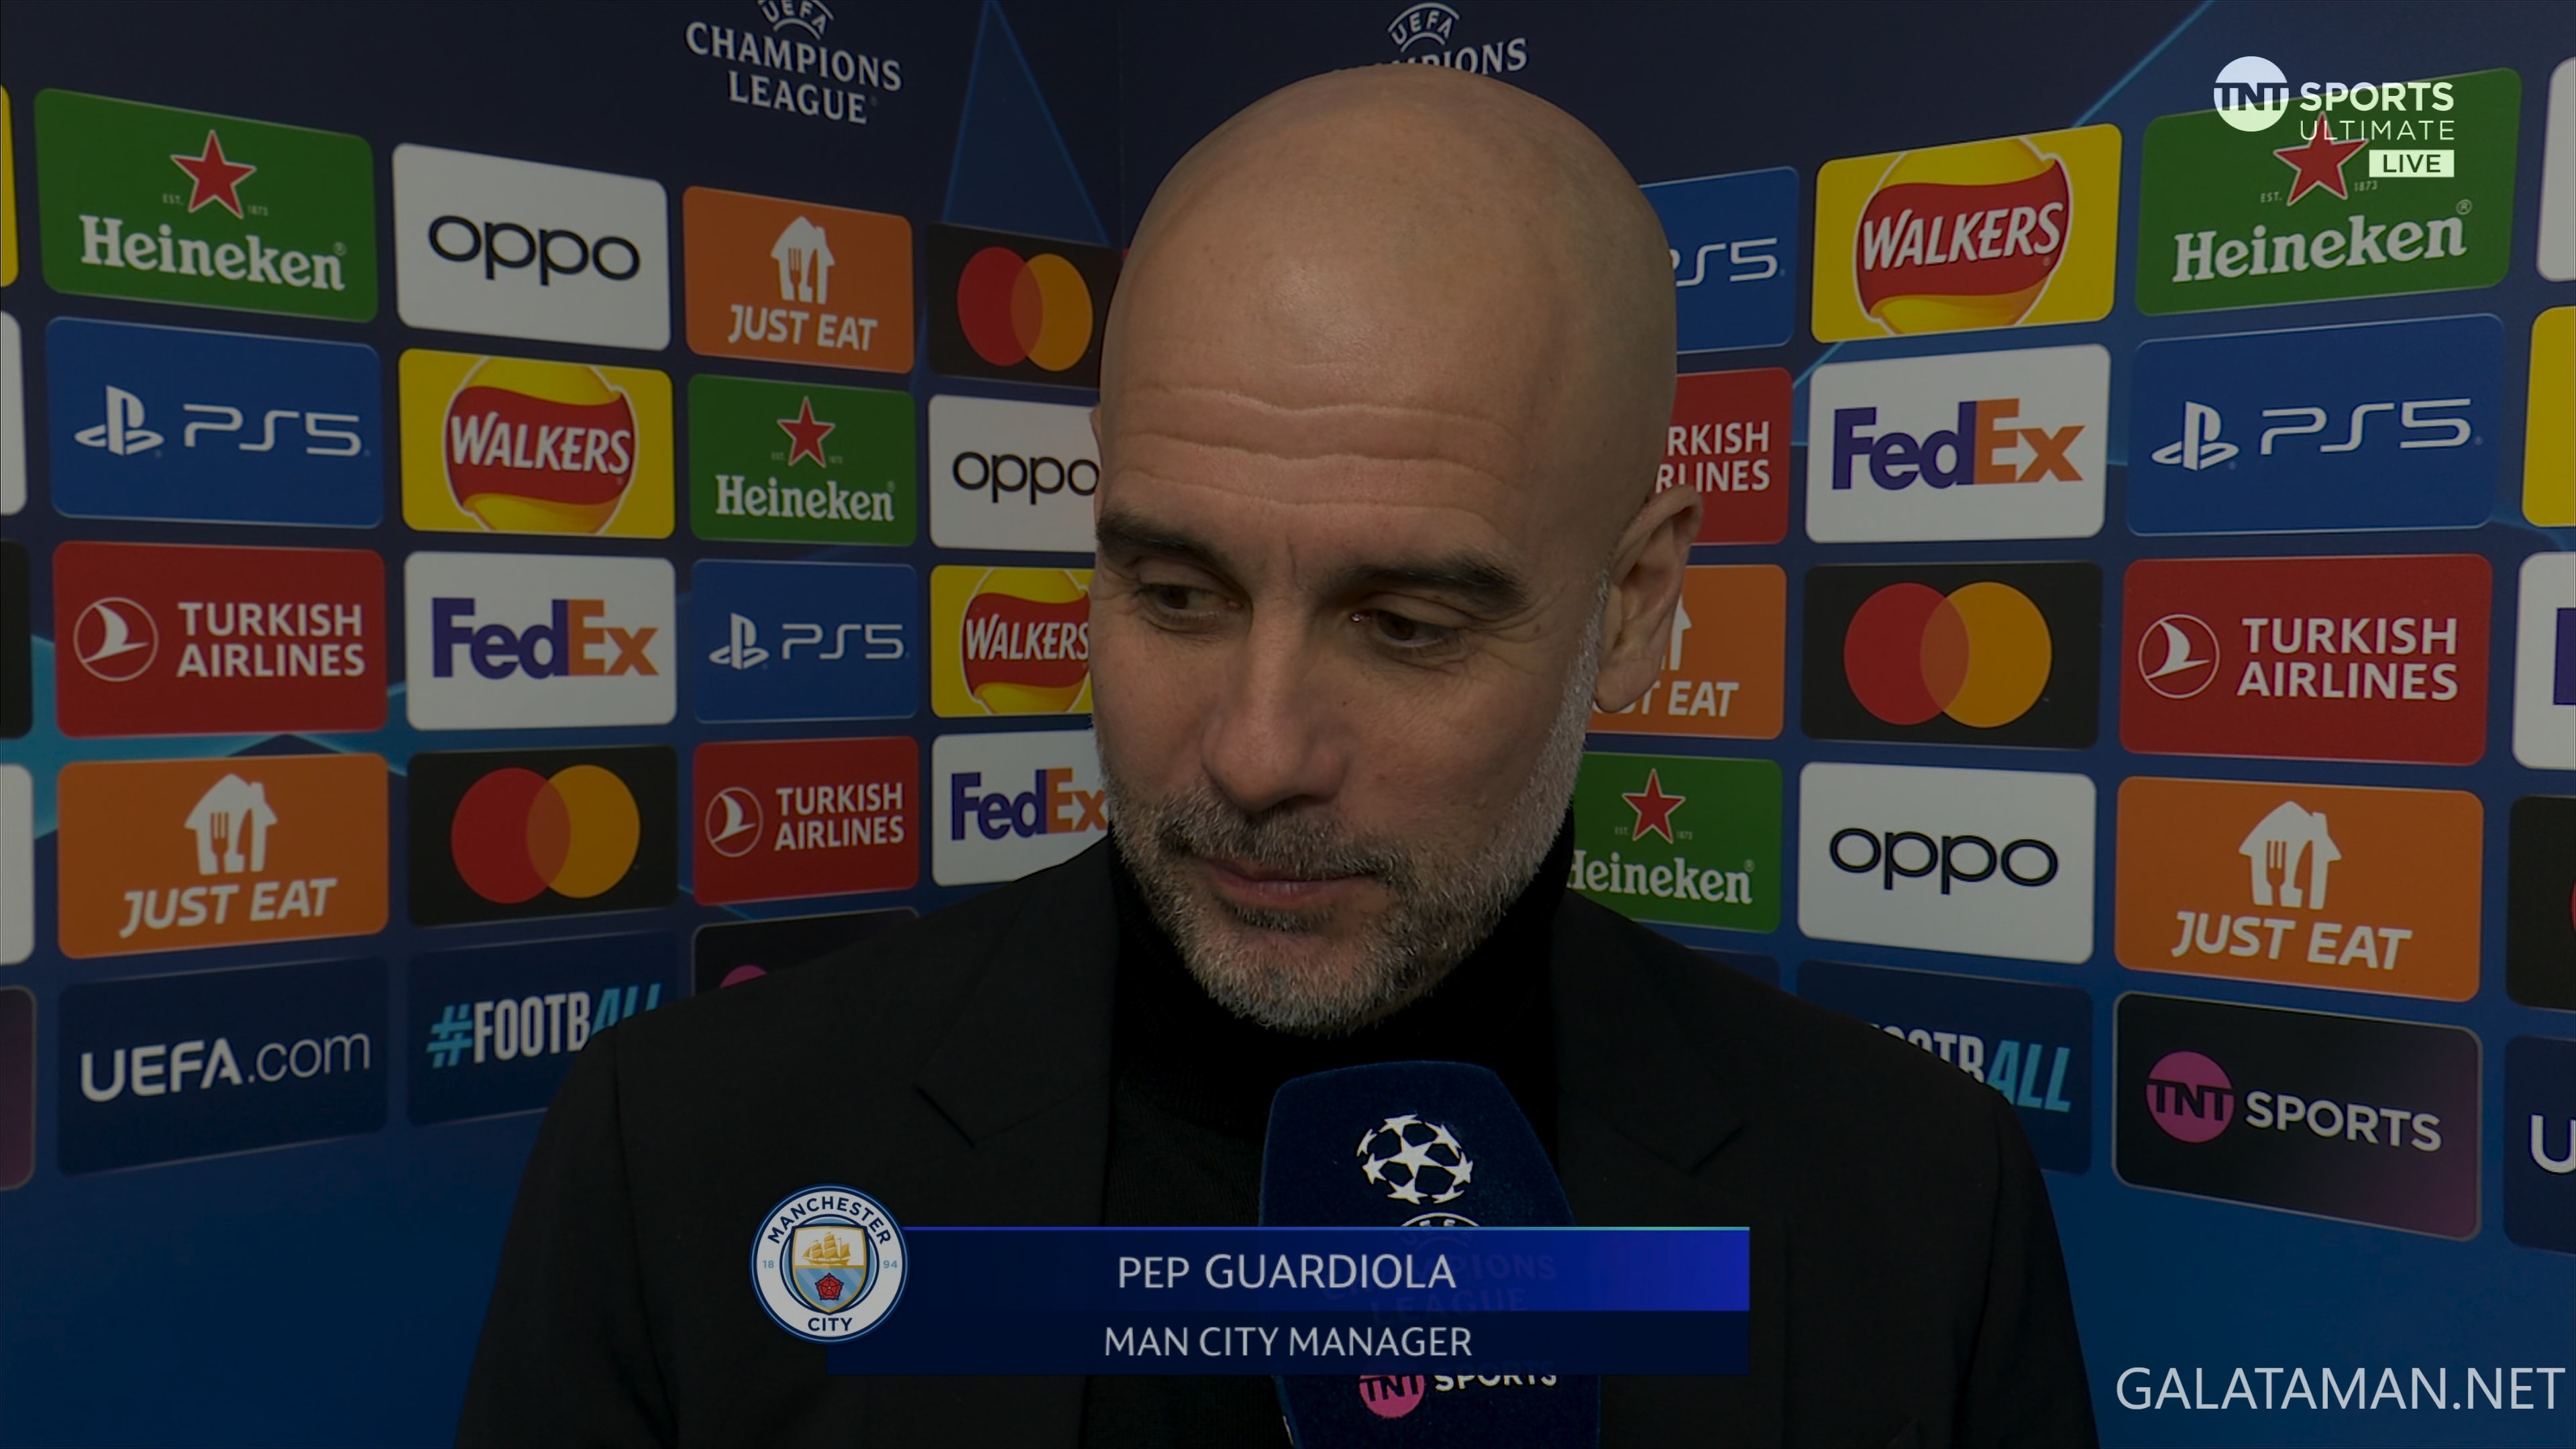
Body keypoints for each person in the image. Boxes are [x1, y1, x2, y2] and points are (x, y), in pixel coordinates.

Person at [456, 65, 2096, 1448]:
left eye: (1407, 627)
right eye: (1176, 595)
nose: (1253, 757)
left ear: (1637, 606)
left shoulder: (1923, 1211)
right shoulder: (684, 1160)